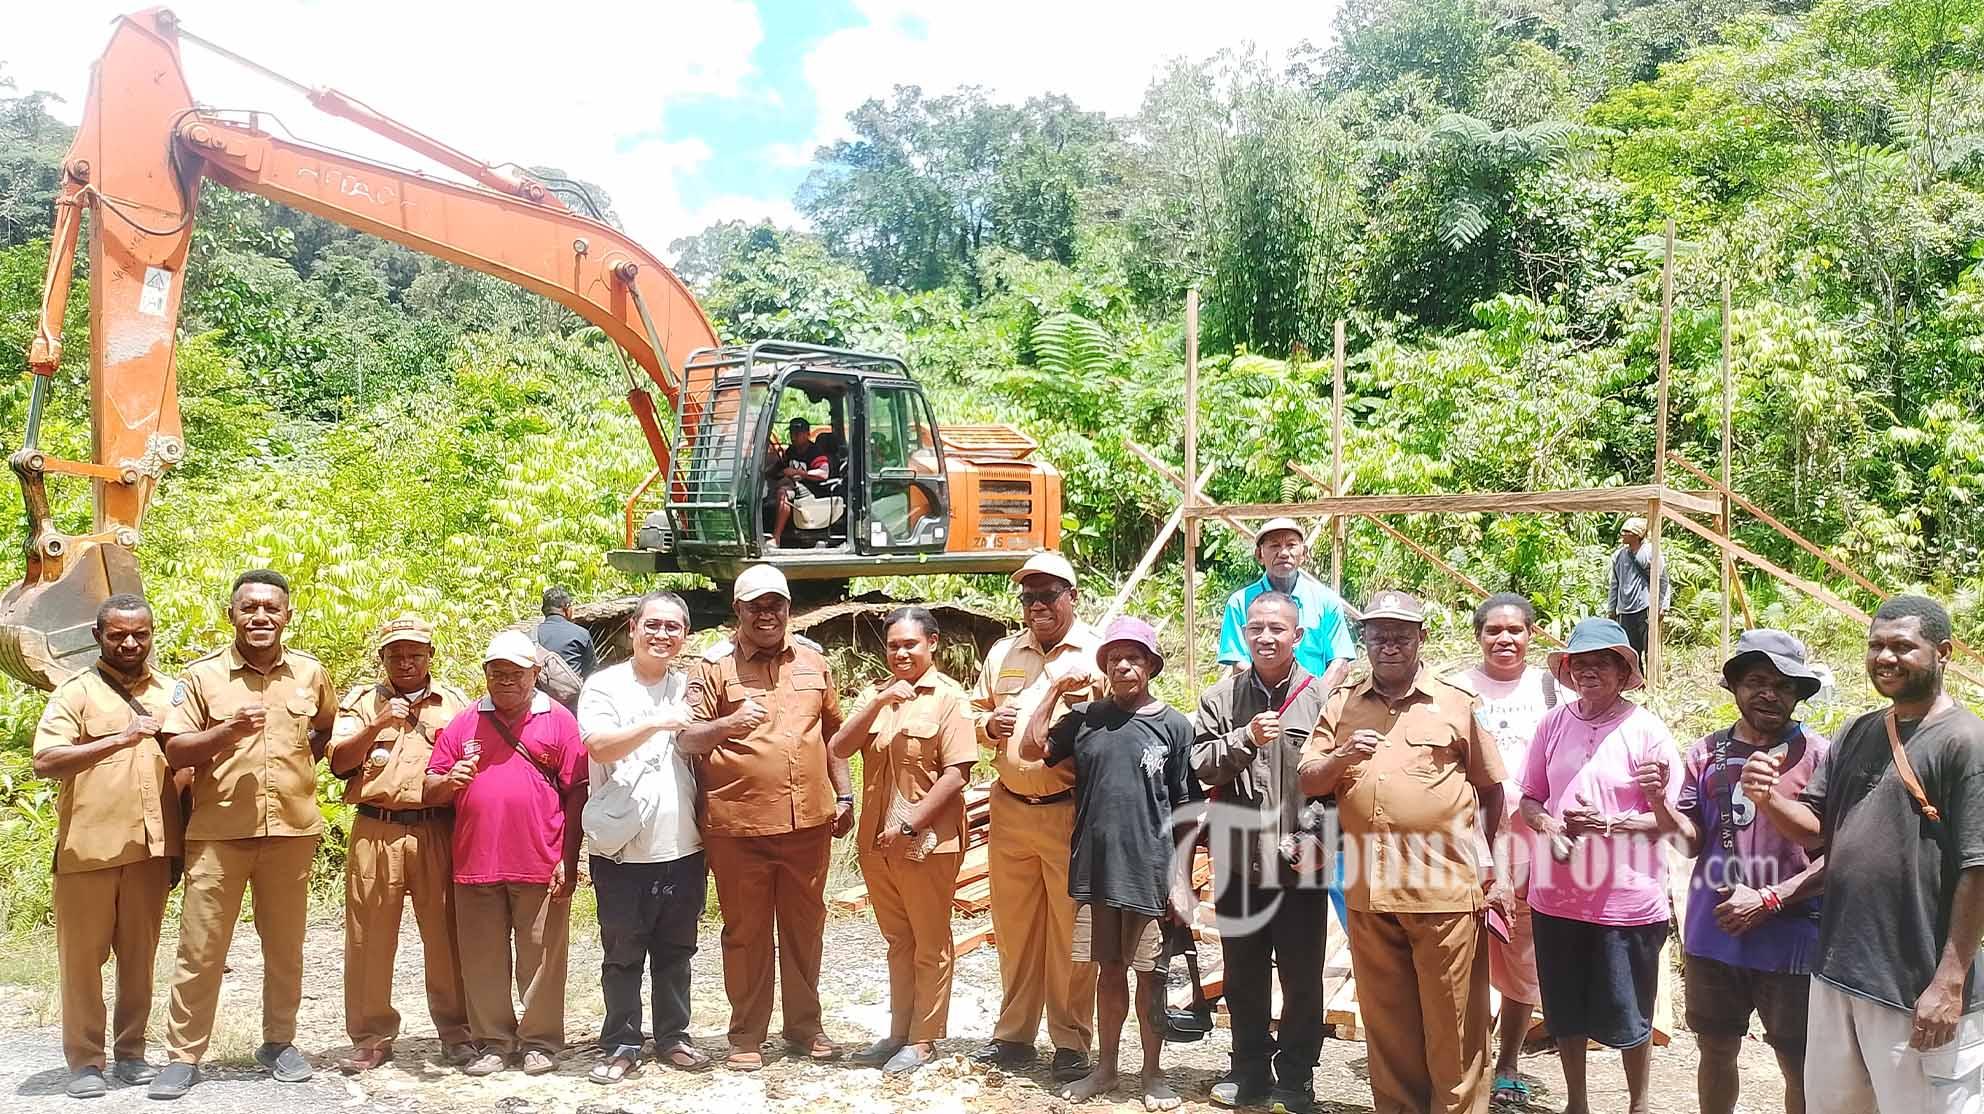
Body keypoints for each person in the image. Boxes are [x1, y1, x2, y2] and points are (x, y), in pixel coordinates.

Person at [1743, 595, 1984, 1112]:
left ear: (1943, 653)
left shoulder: (1966, 741)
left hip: (1914, 984)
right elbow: (1814, 833)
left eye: (1903, 646)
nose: (1885, 657)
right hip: (1838, 973)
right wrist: (1769, 799)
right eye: (1876, 645)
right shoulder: (1859, 731)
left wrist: (1950, 981)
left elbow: (1977, 868)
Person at [1299, 590, 1507, 1114]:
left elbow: (1491, 788)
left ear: (1421, 638)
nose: (1389, 643)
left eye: (1401, 633)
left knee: (1453, 1023)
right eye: (1378, 634)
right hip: (1369, 892)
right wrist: (1343, 754)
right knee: (1387, 1023)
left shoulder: (1455, 703)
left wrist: (1492, 867)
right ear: (1364, 640)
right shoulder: (1342, 702)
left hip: (1442, 892)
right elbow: (1308, 780)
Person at [150, 569, 338, 1100]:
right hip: (218, 833)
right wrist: (227, 732)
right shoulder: (203, 677)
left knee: (286, 948)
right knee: (201, 948)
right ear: (231, 614)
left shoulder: (309, 673)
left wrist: (302, 768)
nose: (260, 617)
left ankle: (279, 1043)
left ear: (287, 616)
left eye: (271, 609)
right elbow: (176, 750)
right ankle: (184, 1054)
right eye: (249, 608)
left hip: (292, 831)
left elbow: (324, 729)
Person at [680, 564, 856, 1071]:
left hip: (808, 826)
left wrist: (844, 797)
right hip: (738, 827)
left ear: (788, 609)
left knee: (805, 929)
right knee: (746, 932)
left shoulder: (814, 664)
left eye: (775, 605)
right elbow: (688, 739)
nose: (766, 614)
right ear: (737, 611)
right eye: (755, 606)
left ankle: (804, 1028)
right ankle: (746, 1036)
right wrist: (730, 723)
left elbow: (834, 737)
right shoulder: (713, 668)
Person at [1021, 616, 1197, 1112]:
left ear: (1151, 666)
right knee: (1109, 971)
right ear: (1104, 666)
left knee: (1151, 974)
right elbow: (1034, 747)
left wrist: (1181, 882)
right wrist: (1056, 687)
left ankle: (1154, 1073)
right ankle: (1106, 1069)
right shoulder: (1087, 720)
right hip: (1097, 872)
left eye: (1134, 658)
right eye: (1115, 658)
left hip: (1149, 871)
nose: (1123, 665)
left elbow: (1186, 811)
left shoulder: (1173, 725)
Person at [1652, 629, 1827, 1114]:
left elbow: (1838, 849)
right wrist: (1658, 805)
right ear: (1734, 686)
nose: (1769, 693)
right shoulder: (1705, 753)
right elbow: (1688, 844)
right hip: (1715, 935)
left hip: (1792, 940)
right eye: (1756, 680)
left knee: (1797, 1059)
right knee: (1716, 1048)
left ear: (1798, 695)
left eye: (1784, 684)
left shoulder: (1821, 756)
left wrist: (1772, 898)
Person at [1517, 617, 1680, 1114]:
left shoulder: (1647, 730)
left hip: (1627, 899)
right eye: (1580, 663)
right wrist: (1551, 828)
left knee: (1631, 1009)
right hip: (1558, 895)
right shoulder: (1553, 723)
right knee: (1564, 1007)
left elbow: (1673, 823)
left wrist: (1607, 826)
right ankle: (1577, 1103)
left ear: (1622, 671)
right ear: (1568, 671)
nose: (1590, 671)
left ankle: (1638, 1103)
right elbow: (1530, 799)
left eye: (1602, 662)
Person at [33, 594, 180, 1099]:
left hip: (151, 852)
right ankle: (86, 1061)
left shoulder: (172, 692)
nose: (130, 643)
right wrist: (120, 738)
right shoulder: (74, 693)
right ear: (98, 637)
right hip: (87, 853)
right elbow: (46, 760)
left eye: (140, 633)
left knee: (139, 959)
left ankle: (132, 1052)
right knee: (82, 962)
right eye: (118, 634)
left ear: (152, 633)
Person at [423, 630, 589, 1077]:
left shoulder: (557, 720)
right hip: (475, 861)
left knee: (541, 959)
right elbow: (431, 784)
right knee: (481, 960)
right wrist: (448, 780)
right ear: (486, 674)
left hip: (539, 858)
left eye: (516, 672)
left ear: (535, 673)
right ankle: (494, 1042)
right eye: (497, 672)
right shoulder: (464, 722)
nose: (506, 680)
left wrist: (570, 859)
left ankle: (540, 1042)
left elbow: (577, 792)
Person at [1192, 592, 1330, 1114]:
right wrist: (1244, 739)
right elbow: (1202, 765)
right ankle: (1247, 1067)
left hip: (1301, 867)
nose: (1266, 637)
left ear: (1299, 637)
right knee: (1243, 973)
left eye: (1278, 629)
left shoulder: (1322, 700)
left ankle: (1296, 1076)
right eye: (1256, 628)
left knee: (1302, 976)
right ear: (1243, 635)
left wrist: (1320, 839)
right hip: (1237, 862)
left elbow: (1337, 782)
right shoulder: (1219, 699)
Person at [968, 551, 1102, 1081]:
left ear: (1072, 597)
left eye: (1048, 595)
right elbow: (975, 715)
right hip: (1009, 808)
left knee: (1072, 932)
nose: (1037, 605)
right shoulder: (1004, 653)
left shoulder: (1097, 654)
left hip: (1067, 811)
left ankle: (1071, 1041)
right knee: (1016, 927)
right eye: (1028, 597)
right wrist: (989, 727)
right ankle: (1014, 1036)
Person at [828, 606, 977, 1075]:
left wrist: (911, 824)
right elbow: (839, 748)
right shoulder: (877, 694)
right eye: (893, 645)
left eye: (910, 644)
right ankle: (898, 1032)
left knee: (930, 941)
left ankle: (924, 1038)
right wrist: (876, 702)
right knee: (898, 940)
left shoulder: (949, 699)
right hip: (877, 843)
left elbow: (957, 774)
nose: (901, 652)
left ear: (932, 643)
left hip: (925, 840)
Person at [326, 615, 474, 1073]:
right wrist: (375, 726)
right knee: (369, 936)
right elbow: (337, 763)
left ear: (431, 655)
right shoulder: (360, 702)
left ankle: (456, 1032)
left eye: (415, 653)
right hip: (377, 828)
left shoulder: (454, 703)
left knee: (447, 934)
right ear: (382, 658)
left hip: (437, 828)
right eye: (395, 654)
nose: (405, 661)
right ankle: (371, 1035)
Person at [575, 592, 708, 1084]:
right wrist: (658, 721)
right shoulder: (604, 686)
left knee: (677, 949)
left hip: (684, 844)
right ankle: (622, 1041)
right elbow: (598, 744)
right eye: (653, 625)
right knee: (623, 951)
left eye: (673, 628)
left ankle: (674, 1036)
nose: (662, 635)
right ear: (633, 628)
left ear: (685, 636)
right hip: (623, 849)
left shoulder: (690, 686)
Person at [1452, 592, 1556, 1108]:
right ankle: (1466, 1059)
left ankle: (1509, 1061)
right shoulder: (1456, 687)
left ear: (1531, 635)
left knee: (1522, 952)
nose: (1504, 639)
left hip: (1530, 840)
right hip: (1465, 838)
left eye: (1515, 630)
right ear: (1479, 636)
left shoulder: (1549, 688)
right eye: (1493, 630)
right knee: (1462, 944)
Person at [1216, 517, 1354, 688]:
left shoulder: (1326, 601)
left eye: (1291, 545)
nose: (1283, 553)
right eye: (1274, 546)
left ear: (1304, 554)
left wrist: (1313, 699)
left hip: (1314, 707)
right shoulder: (1239, 603)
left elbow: (1340, 664)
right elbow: (1239, 664)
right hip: (1259, 704)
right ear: (1259, 555)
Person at [1605, 517, 1671, 664]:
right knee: (1630, 649)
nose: (1622, 534)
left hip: (1645, 607)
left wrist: (1663, 605)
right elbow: (1614, 583)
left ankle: (1652, 681)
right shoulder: (1619, 556)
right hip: (1625, 610)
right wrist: (1611, 608)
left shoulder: (1650, 553)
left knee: (1649, 647)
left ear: (1636, 535)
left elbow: (1663, 580)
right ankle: (1637, 681)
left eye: (1626, 531)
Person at [767, 417, 832, 542]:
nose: (794, 436)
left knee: (783, 492)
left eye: (797, 433)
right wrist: (764, 473)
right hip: (796, 487)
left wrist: (798, 473)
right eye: (791, 432)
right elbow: (778, 468)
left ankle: (776, 538)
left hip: (814, 489)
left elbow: (824, 473)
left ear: (807, 434)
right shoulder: (791, 450)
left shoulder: (815, 451)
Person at [536, 586, 596, 679]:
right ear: (567, 608)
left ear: (543, 611)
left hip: (540, 691)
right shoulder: (581, 634)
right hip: (573, 692)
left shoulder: (532, 635)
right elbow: (591, 672)